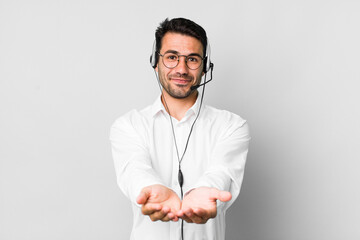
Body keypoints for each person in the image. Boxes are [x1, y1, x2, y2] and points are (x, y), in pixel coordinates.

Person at [110, 17, 250, 240]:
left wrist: (201, 193)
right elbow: (135, 170)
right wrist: (151, 189)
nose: (181, 69)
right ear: (155, 62)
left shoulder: (232, 126)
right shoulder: (128, 126)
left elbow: (222, 172)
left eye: (192, 59)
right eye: (172, 57)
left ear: (205, 67)